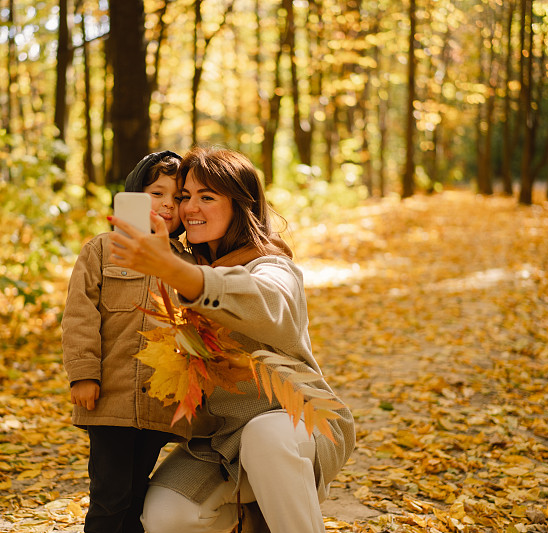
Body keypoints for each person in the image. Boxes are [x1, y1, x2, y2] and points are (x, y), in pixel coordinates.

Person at [108, 146, 356, 533]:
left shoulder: (272, 264)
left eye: (207, 197)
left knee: (265, 437)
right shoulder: (182, 266)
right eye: (185, 196)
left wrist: (177, 273)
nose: (190, 207)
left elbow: (268, 302)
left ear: (241, 206)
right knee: (167, 517)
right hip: (220, 441)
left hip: (295, 422)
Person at [61, 151, 193, 533]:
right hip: (110, 398)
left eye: (178, 197)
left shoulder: (187, 260)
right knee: (110, 495)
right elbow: (79, 315)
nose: (168, 204)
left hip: (157, 401)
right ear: (134, 195)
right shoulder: (102, 249)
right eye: (157, 193)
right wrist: (83, 374)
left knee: (138, 496)